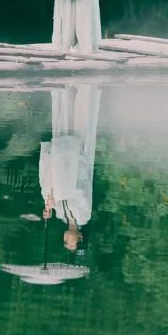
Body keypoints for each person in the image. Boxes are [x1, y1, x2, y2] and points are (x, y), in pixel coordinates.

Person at [40, 84, 101, 251]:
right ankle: (84, 87)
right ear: (80, 237)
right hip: (76, 165)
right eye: (70, 243)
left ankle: (66, 89)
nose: (66, 240)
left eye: (65, 243)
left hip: (62, 161)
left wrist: (48, 206)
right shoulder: (83, 216)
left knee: (63, 125)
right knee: (80, 124)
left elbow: (52, 187)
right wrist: (58, 196)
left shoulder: (61, 215)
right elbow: (82, 192)